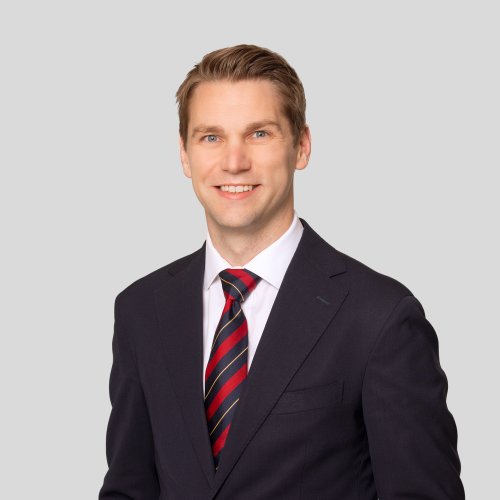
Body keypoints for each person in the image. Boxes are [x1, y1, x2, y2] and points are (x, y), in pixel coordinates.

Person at [99, 44, 465, 499]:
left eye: (259, 134)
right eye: (211, 137)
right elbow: (129, 488)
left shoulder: (379, 318)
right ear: (185, 155)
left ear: (301, 146)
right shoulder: (141, 311)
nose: (234, 162)